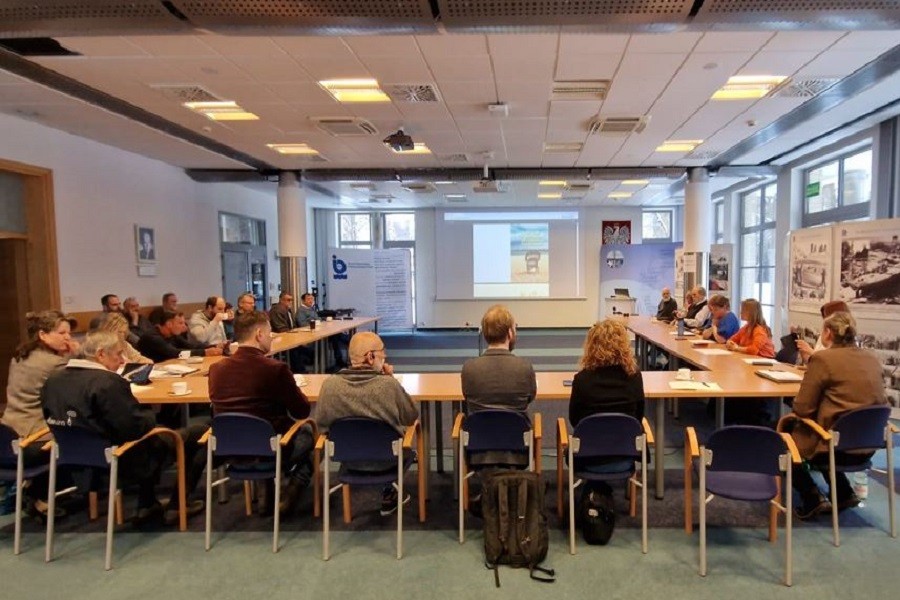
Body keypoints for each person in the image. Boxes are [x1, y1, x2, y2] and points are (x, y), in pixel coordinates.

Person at [41, 330, 206, 526]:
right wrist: (148, 413)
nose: (122, 361)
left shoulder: (53, 380)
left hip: (74, 460)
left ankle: (148, 504)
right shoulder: (107, 382)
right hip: (120, 460)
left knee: (149, 436)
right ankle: (177, 505)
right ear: (101, 354)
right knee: (198, 433)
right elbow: (135, 428)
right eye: (118, 354)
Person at [779, 312, 888, 520]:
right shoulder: (872, 357)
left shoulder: (823, 358)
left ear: (828, 333)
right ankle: (844, 492)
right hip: (869, 444)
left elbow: (802, 408)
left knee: (782, 436)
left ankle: (811, 497)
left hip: (833, 446)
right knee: (833, 435)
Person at [208, 310, 314, 515]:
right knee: (310, 434)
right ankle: (288, 496)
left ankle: (270, 492)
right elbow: (302, 411)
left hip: (229, 449)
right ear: (259, 334)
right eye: (269, 332)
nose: (271, 337)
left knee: (266, 434)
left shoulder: (216, 369)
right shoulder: (275, 369)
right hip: (272, 449)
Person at [314, 331, 418, 515]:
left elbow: (321, 425)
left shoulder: (330, 386)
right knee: (408, 448)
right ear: (370, 357)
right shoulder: (388, 386)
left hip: (346, 460)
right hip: (388, 460)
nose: (385, 357)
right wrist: (390, 378)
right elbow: (411, 416)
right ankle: (390, 491)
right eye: (382, 352)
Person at [2, 311, 80, 518]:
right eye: (61, 332)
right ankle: (41, 496)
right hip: (35, 439)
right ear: (42, 335)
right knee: (85, 435)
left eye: (69, 333)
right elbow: (81, 387)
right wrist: (76, 355)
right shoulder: (54, 364)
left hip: (8, 436)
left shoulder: (20, 356)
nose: (68, 338)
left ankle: (35, 491)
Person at [461, 305, 536, 470]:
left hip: (477, 449)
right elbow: (530, 398)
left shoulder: (469, 368)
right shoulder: (524, 367)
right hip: (518, 449)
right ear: (510, 333)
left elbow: (467, 397)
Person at [569, 319, 644, 427]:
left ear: (591, 346)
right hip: (626, 441)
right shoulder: (634, 376)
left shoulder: (582, 379)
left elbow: (575, 420)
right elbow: (639, 416)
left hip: (591, 441)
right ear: (624, 346)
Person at [136, 311, 224, 363]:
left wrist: (215, 346)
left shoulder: (173, 334)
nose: (184, 326)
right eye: (180, 323)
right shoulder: (153, 337)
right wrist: (204, 352)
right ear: (169, 324)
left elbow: (190, 346)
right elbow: (175, 352)